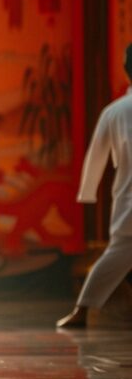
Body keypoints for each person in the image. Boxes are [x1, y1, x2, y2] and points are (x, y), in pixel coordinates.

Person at [58, 43, 132, 329]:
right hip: (129, 199)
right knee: (116, 256)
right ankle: (82, 310)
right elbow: (98, 154)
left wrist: (87, 191)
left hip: (128, 200)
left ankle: (82, 311)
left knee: (115, 257)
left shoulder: (114, 112)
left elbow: (96, 155)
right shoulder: (116, 112)